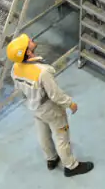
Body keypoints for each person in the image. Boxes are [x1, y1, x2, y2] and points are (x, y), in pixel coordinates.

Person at [6, 34, 94, 177]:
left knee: (43, 134)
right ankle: (71, 166)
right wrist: (70, 103)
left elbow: (20, 87)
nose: (31, 40)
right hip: (50, 108)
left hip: (34, 105)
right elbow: (55, 95)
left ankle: (51, 159)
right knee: (61, 136)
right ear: (28, 52)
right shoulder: (42, 71)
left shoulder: (15, 68)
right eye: (28, 42)